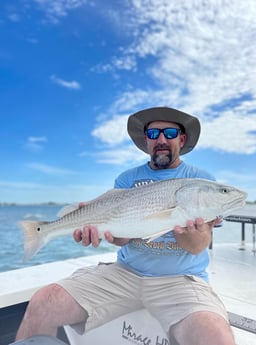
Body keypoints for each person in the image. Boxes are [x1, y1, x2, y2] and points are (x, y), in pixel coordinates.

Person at [16, 107, 235, 345]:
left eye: (170, 132)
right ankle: (43, 231)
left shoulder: (199, 179)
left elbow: (197, 247)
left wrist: (186, 230)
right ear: (146, 141)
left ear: (181, 139)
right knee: (43, 302)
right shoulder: (127, 179)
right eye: (153, 134)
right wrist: (100, 232)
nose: (161, 139)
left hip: (179, 280)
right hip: (125, 273)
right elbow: (122, 237)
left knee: (216, 337)